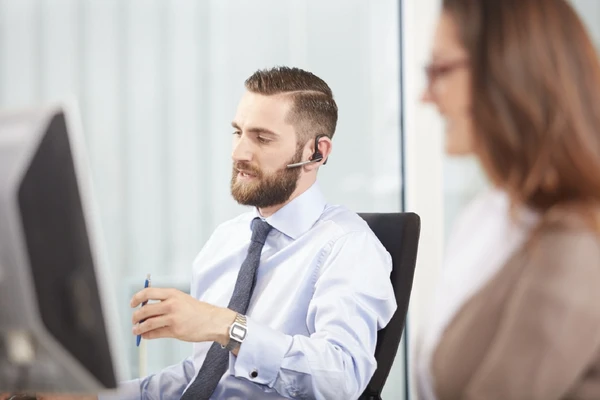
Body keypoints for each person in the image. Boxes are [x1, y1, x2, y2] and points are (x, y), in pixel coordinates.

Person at [20, 66, 395, 400]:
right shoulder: (228, 240)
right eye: (238, 132)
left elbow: (343, 379)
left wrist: (224, 326)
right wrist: (93, 396)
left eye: (262, 138)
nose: (239, 152)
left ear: (316, 153)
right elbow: (201, 378)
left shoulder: (348, 246)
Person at [416, 0, 600, 399]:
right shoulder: (488, 217)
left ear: (507, 72)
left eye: (440, 70)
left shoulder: (579, 243)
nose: (425, 96)